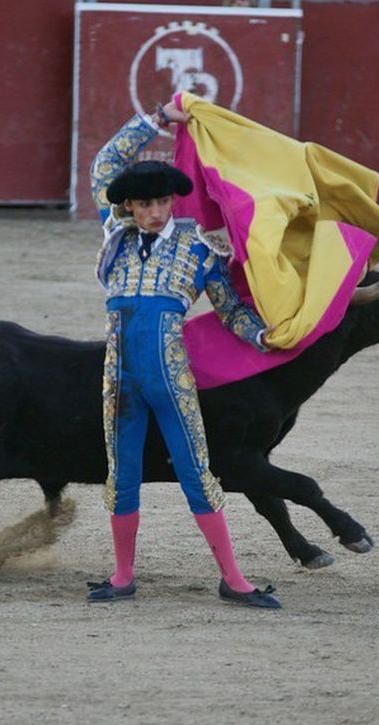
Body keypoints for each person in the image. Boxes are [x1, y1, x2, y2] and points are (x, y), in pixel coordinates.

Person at [85, 100, 281, 609]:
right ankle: (123, 576)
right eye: (144, 204)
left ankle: (234, 580)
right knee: (121, 474)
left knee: (197, 472)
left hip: (171, 380)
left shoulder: (198, 247)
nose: (154, 212)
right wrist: (157, 119)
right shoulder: (117, 235)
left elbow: (231, 308)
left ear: (173, 202)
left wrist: (261, 336)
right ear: (128, 206)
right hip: (119, 378)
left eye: (163, 203)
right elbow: (104, 165)